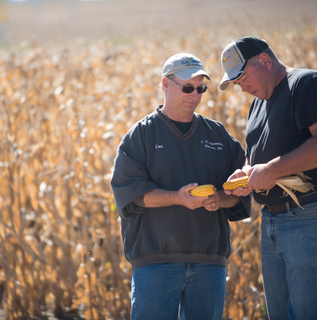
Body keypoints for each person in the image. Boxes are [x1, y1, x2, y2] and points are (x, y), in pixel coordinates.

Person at [110, 52, 251, 320]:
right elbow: (131, 193)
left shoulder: (217, 135)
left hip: (210, 263)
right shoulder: (140, 136)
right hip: (156, 263)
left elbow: (241, 179)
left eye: (201, 89)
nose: (195, 95)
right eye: (187, 87)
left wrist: (220, 198)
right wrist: (177, 197)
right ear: (165, 84)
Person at [219, 36, 317, 319]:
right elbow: (261, 159)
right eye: (235, 82)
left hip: (313, 216)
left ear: (265, 60)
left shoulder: (307, 84)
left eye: (242, 76)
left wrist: (273, 171)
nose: (241, 87)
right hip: (273, 221)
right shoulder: (258, 104)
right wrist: (247, 174)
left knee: (311, 315)